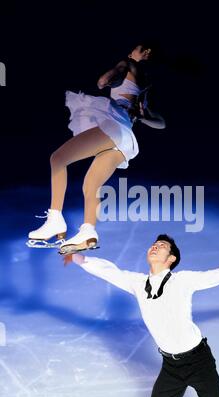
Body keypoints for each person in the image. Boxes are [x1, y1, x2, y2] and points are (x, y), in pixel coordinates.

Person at [63, 234, 219, 397]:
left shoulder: (183, 280)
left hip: (199, 362)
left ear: (171, 259)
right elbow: (108, 271)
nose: (155, 247)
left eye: (161, 246)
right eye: (154, 244)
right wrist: (76, 256)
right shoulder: (138, 283)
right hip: (170, 367)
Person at [27, 43, 165, 254]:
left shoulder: (127, 63)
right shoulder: (145, 86)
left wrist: (112, 75)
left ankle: (55, 219)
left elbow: (102, 82)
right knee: (91, 184)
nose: (147, 51)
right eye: (143, 48)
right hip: (126, 139)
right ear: (136, 52)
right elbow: (161, 123)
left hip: (114, 127)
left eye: (148, 50)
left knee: (58, 159)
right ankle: (88, 231)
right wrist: (143, 116)